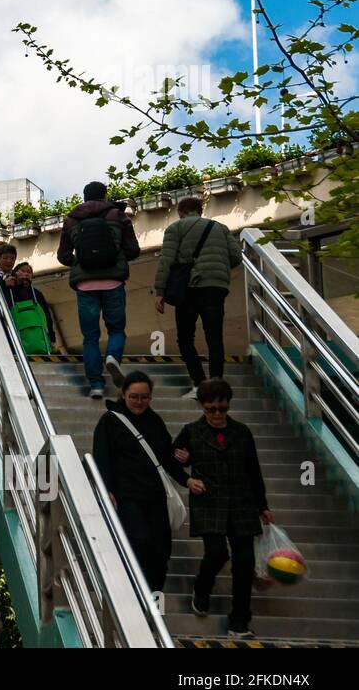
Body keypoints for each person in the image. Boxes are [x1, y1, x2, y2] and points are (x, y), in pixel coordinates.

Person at [172, 378, 273, 638]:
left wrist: (263, 505)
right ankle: (201, 588)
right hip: (208, 503)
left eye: (222, 408)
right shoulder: (190, 431)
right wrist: (187, 478)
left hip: (242, 504)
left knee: (244, 563)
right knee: (217, 553)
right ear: (202, 407)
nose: (217, 414)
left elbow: (254, 470)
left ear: (228, 405)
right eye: (211, 409)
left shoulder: (242, 432)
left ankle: (239, 623)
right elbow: (171, 459)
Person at [93, 371, 195, 594]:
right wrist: (106, 489)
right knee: (139, 540)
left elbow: (166, 457)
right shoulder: (110, 421)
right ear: (124, 395)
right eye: (134, 397)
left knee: (161, 551)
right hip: (126, 495)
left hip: (155, 496)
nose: (139, 402)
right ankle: (132, 595)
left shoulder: (154, 420)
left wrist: (186, 477)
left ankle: (154, 603)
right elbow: (102, 457)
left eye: (144, 397)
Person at [57, 181, 140, 399]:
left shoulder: (71, 220)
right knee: (116, 329)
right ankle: (112, 356)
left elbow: (63, 256)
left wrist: (80, 261)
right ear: (105, 196)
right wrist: (116, 255)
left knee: (90, 337)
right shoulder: (117, 215)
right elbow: (133, 250)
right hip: (113, 281)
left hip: (85, 285)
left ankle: (96, 384)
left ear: (84, 197)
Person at [154, 196, 241, 399]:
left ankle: (199, 384)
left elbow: (166, 260)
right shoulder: (220, 228)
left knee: (185, 338)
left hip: (189, 289)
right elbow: (236, 257)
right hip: (216, 288)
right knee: (214, 338)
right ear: (200, 211)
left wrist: (160, 291)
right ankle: (217, 385)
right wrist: (216, 269)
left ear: (181, 212)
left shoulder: (176, 228)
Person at [7, 262, 55, 354]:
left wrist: (52, 337)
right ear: (15, 273)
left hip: (40, 337)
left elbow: (47, 315)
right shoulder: (9, 291)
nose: (26, 274)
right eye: (22, 271)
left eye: (29, 272)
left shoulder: (37, 294)